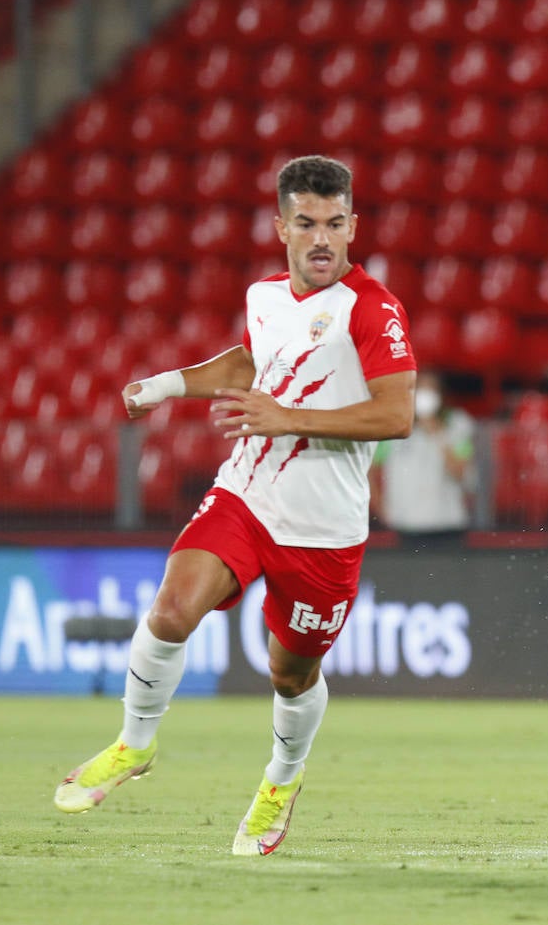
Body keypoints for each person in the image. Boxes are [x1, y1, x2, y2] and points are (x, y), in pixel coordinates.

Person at [53, 156, 418, 857]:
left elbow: (396, 414)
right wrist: (161, 386)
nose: (322, 239)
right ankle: (134, 743)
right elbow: (251, 364)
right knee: (169, 611)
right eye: (307, 223)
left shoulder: (374, 310)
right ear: (281, 225)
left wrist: (289, 418)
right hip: (248, 493)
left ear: (353, 226)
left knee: (291, 672)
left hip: (325, 529)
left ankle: (281, 779)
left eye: (335, 224)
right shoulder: (265, 297)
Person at [371, 370, 476, 543]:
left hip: (448, 524)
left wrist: (436, 431)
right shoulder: (393, 425)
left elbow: (461, 473)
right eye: (420, 388)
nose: (425, 395)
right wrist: (380, 507)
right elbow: (370, 470)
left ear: (441, 394)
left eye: (431, 389)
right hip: (405, 524)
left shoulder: (458, 424)